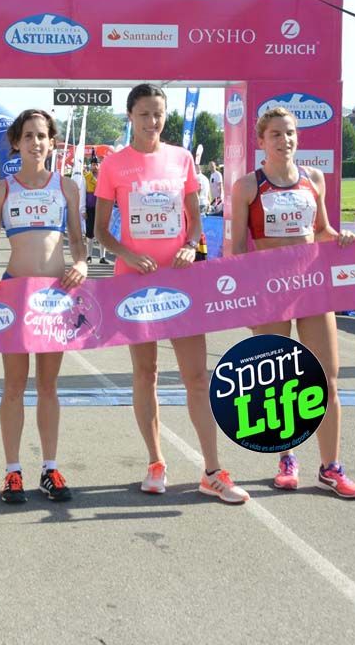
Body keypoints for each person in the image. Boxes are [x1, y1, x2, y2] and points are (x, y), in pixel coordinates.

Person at [96, 84, 247, 503]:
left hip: (180, 281)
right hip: (134, 283)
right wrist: (129, 254)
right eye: (144, 113)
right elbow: (101, 232)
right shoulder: (113, 165)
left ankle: (212, 471)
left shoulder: (181, 159)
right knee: (146, 374)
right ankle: (155, 462)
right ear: (131, 116)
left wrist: (189, 245)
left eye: (159, 114)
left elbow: (195, 221)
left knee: (196, 376)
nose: (153, 121)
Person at [229, 105, 355, 499]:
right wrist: (246, 297)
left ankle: (331, 467)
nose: (284, 140)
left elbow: (321, 230)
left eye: (289, 133)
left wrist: (341, 237)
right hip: (271, 292)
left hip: (312, 286)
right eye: (276, 134)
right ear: (261, 141)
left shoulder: (313, 179)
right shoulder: (247, 186)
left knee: (327, 377)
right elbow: (238, 249)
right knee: (279, 380)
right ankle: (286, 458)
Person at [0, 109, 86, 503]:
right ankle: (12, 471)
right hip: (15, 295)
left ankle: (50, 468)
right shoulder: (0, 190)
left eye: (42, 136)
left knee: (48, 386)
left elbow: (78, 242)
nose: (36, 142)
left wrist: (81, 264)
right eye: (28, 136)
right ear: (17, 143)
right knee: (13, 386)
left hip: (55, 297)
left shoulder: (67, 186)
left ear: (51, 142)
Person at [83, 159, 108, 264]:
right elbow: (83, 194)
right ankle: (89, 256)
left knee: (103, 232)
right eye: (93, 164)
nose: (95, 166)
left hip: (102, 208)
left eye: (96, 164)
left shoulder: (104, 178)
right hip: (90, 208)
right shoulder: (86, 177)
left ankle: (102, 257)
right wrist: (83, 209)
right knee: (89, 233)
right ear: (91, 166)